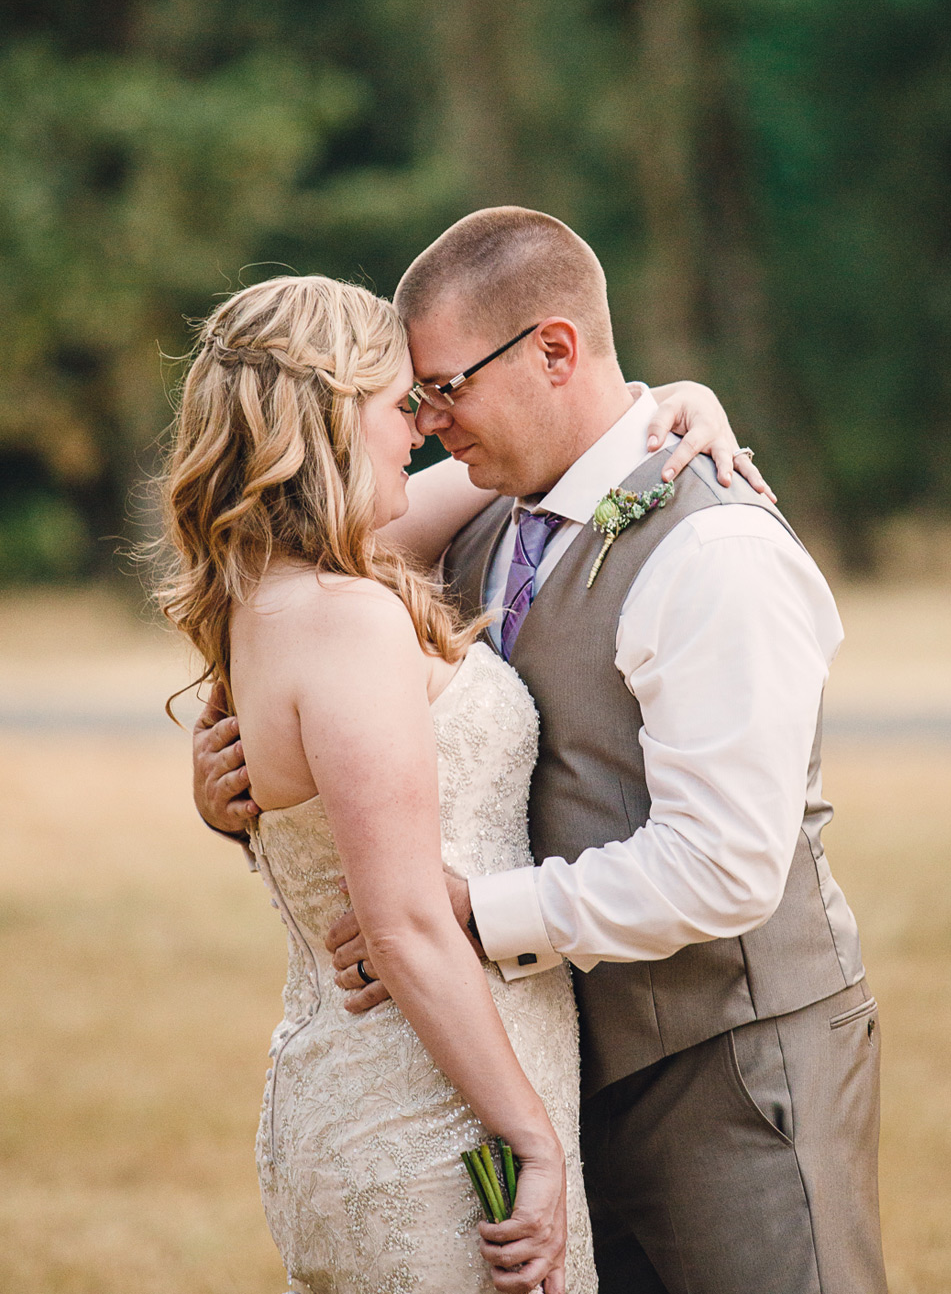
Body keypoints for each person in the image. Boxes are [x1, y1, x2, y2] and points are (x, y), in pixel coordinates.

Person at [174, 271, 747, 1294]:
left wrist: (673, 401)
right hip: (431, 1108)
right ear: (333, 416)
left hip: (371, 1075)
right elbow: (399, 923)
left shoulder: (277, 581)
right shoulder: (346, 616)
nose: (425, 430)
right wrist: (527, 1137)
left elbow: (541, 448)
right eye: (400, 404)